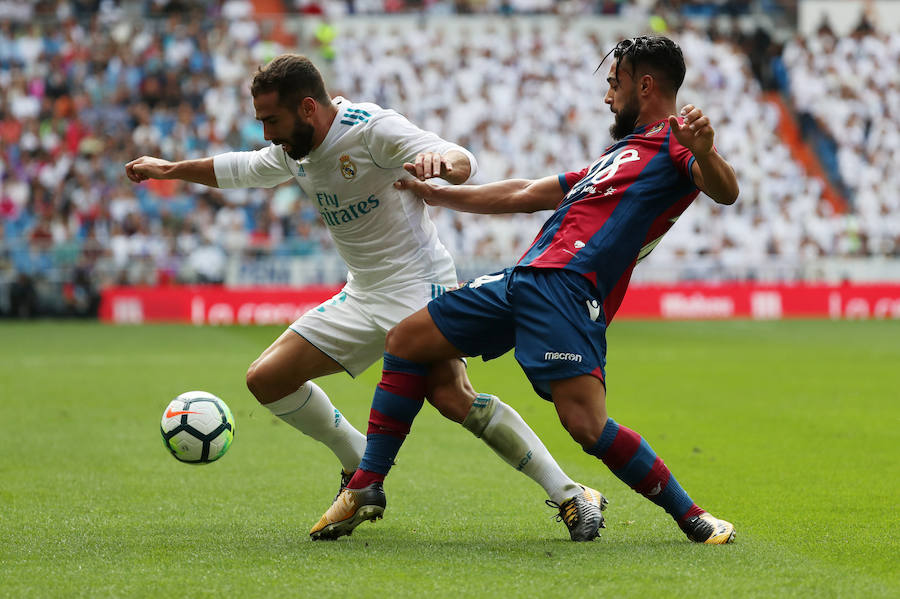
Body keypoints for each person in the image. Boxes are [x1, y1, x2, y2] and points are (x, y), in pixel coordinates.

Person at [125, 54, 606, 541]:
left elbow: (458, 156)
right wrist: (171, 169)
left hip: (420, 286)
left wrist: (447, 165)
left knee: (450, 395)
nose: (268, 133)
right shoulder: (296, 150)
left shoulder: (371, 128)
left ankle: (572, 495)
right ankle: (358, 464)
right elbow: (243, 168)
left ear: (308, 107)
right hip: (363, 292)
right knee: (267, 379)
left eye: (272, 120)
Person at [311, 36, 739, 544]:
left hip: (567, 290)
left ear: (645, 86)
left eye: (613, 84)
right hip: (523, 280)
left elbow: (725, 190)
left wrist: (706, 153)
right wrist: (439, 195)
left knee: (586, 425)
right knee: (405, 340)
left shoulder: (674, 143)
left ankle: (693, 517)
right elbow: (526, 193)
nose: (607, 97)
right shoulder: (620, 155)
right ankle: (366, 485)